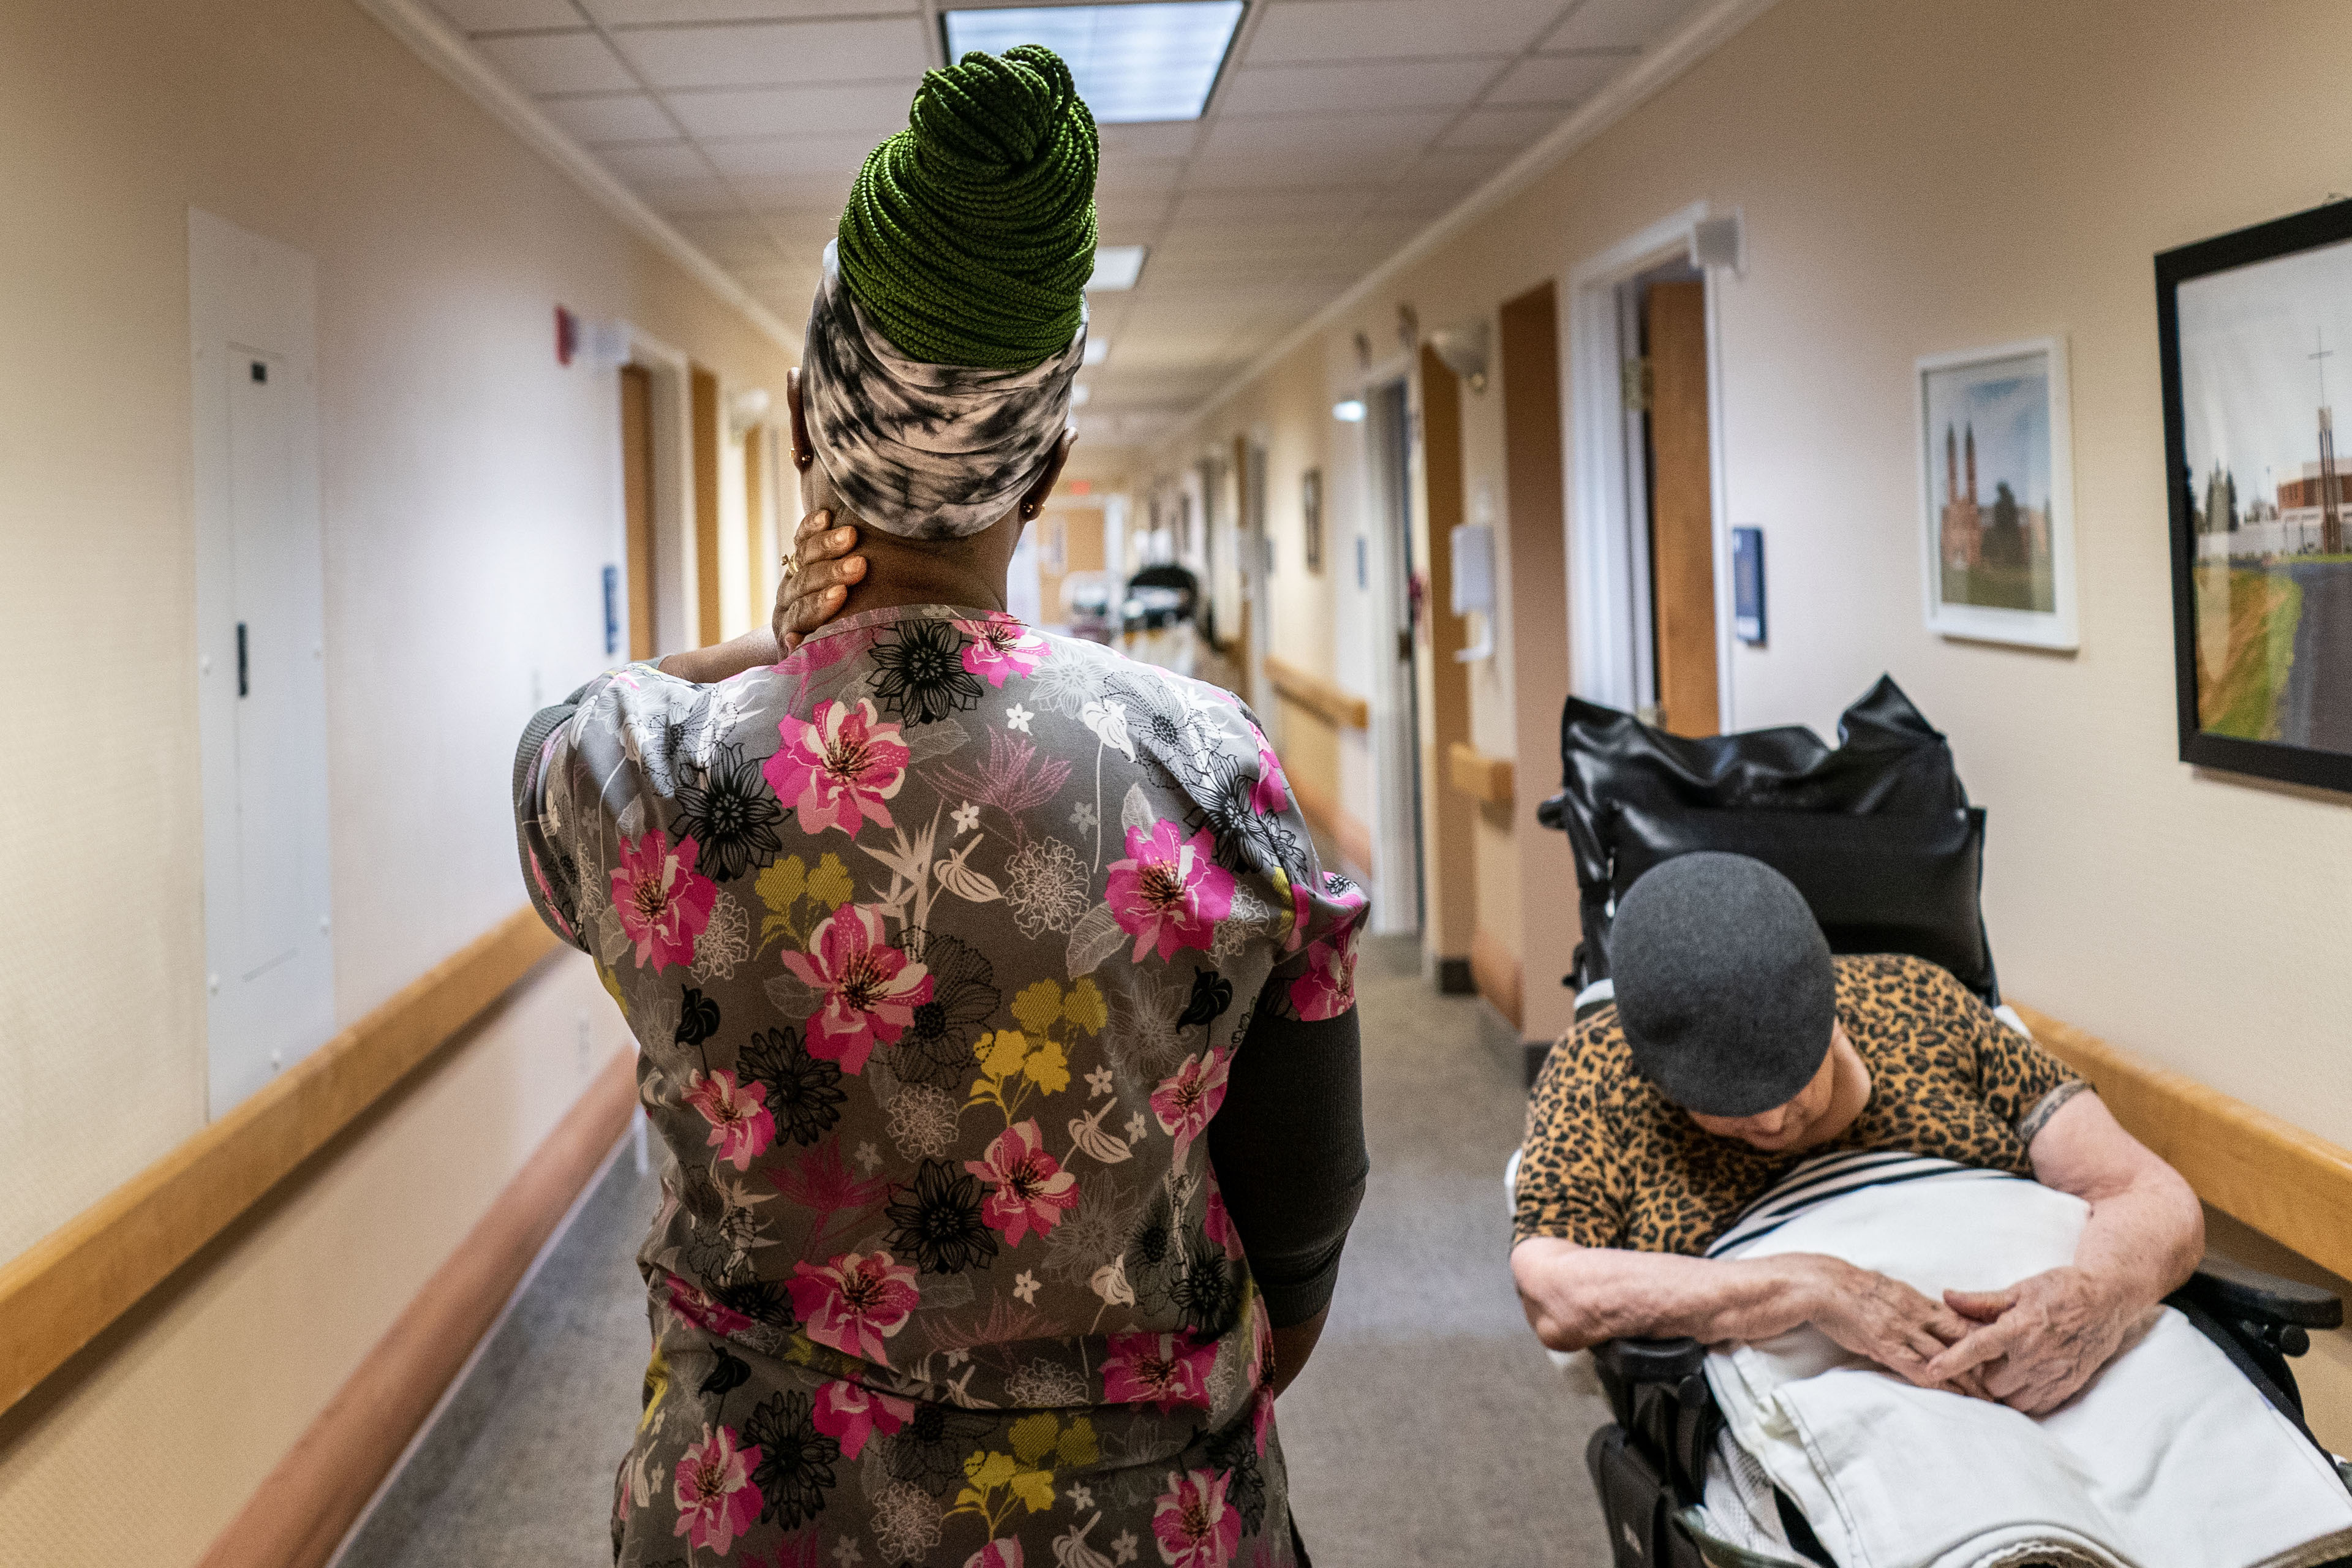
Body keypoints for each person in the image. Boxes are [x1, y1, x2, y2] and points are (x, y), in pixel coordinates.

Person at [513, 45, 1369, 1568]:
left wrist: (774, 647)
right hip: (1138, 1518)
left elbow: (552, 751)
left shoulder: (643, 772)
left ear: (798, 424)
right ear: (1042, 472)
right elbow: (1302, 1212)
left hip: (751, 1524)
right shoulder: (1207, 761)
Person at [1509, 852, 2204, 1414]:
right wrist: (1805, 1286)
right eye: (1730, 1107)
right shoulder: (1597, 1070)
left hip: (2071, 1361)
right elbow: (1552, 1285)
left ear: (1834, 1007)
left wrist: (2098, 1297)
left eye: (1794, 1080)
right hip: (1854, 1407)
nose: (1775, 1122)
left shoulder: (1922, 1002)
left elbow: (2144, 1189)